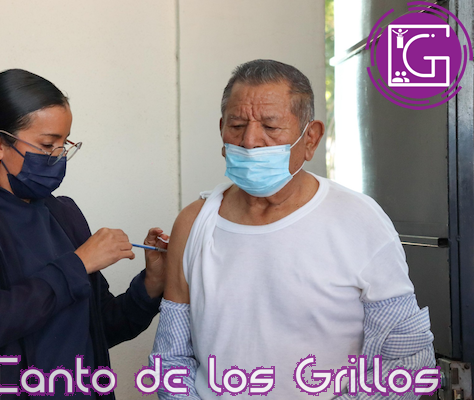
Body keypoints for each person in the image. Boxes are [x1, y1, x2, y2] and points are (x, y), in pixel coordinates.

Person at [150, 59, 435, 399]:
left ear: (310, 138)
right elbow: (171, 359)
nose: (250, 141)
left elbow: (407, 359)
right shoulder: (194, 222)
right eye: (237, 125)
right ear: (222, 130)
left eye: (270, 126)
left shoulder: (358, 220)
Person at [0, 69, 168, 400]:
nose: (58, 156)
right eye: (47, 145)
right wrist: (77, 265)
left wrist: (151, 284)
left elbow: (101, 328)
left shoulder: (62, 213)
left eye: (64, 144)